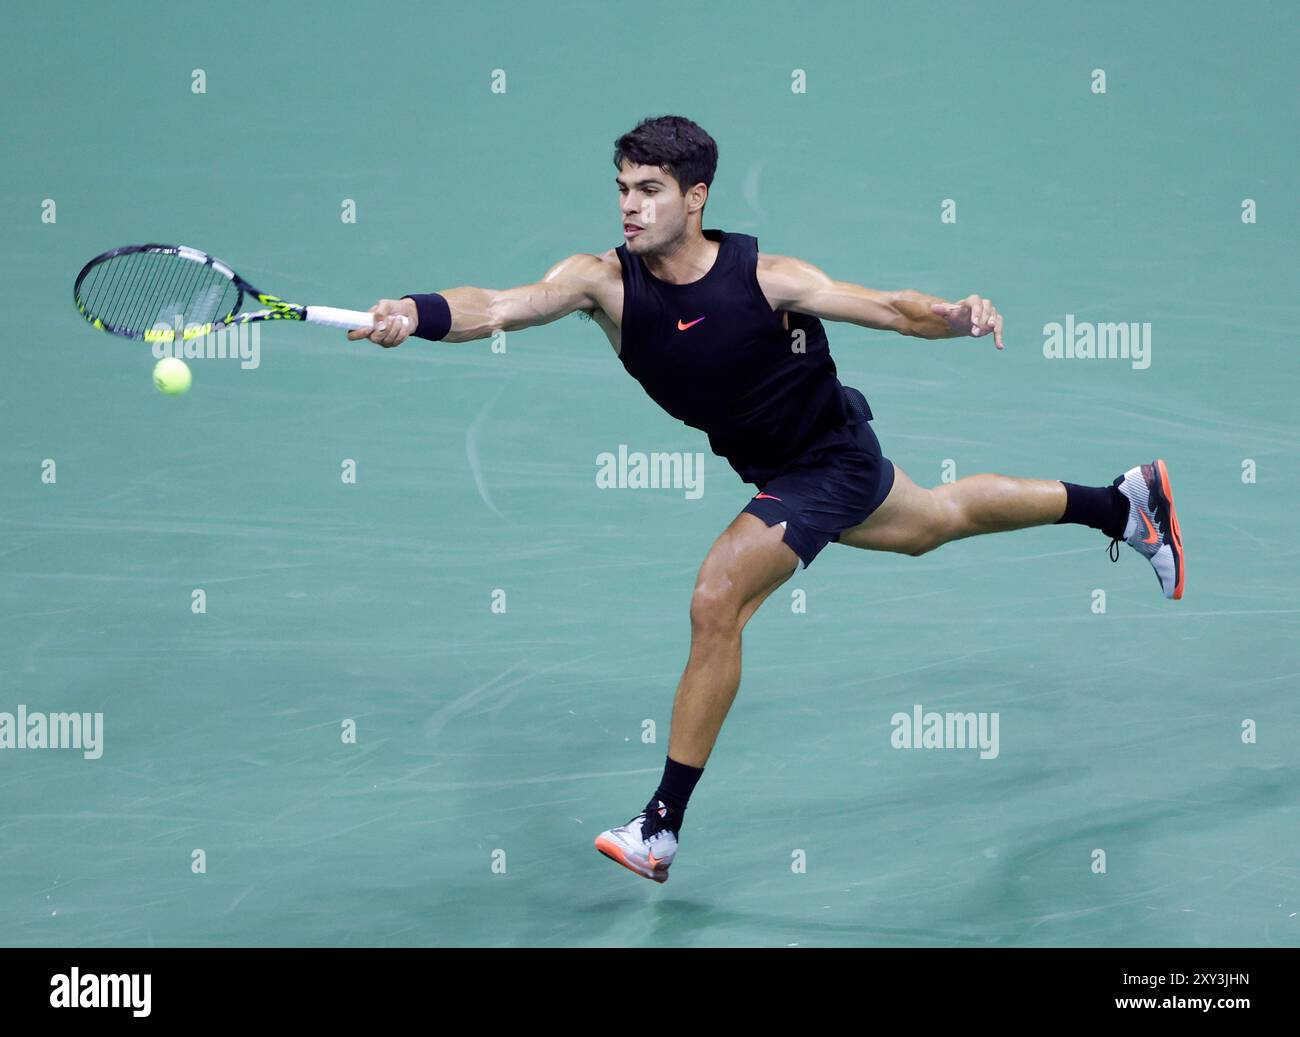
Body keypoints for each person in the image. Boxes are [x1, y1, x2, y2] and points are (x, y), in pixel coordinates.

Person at [348, 115, 1185, 883]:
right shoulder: (601, 283)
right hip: (785, 465)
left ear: (695, 197)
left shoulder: (766, 277)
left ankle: (660, 826)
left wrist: (956, 316)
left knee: (718, 596)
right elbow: (499, 305)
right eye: (622, 188)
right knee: (937, 521)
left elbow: (888, 309)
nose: (629, 208)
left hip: (825, 462)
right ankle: (1122, 504)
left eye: (650, 191)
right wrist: (411, 313)